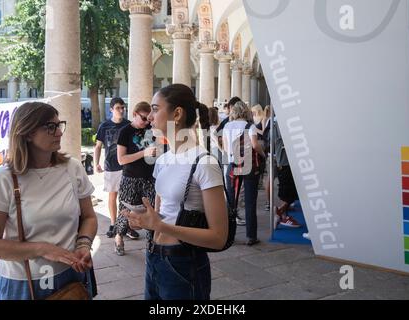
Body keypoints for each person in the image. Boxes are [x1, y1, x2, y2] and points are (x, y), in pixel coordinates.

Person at [0, 102, 97, 300]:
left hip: (70, 274)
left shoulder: (72, 168)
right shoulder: (4, 178)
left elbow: (89, 217)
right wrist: (43, 249)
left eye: (60, 125)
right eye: (51, 127)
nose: (59, 132)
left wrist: (84, 244)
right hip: (23, 282)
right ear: (27, 133)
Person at [125, 84, 227, 300]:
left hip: (184, 264)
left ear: (177, 114)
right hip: (154, 256)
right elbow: (162, 214)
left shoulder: (204, 163)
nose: (149, 117)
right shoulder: (163, 160)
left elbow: (219, 237)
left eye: (155, 109)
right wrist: (145, 220)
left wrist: (161, 226)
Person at [114, 101, 157, 256]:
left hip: (149, 178)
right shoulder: (125, 131)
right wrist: (143, 153)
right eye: (143, 118)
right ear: (134, 114)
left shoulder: (152, 130)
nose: (147, 122)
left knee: (152, 210)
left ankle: (152, 244)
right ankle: (119, 237)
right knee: (125, 211)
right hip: (130, 177)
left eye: (149, 119)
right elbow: (121, 159)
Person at [223, 101, 265, 246]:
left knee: (231, 202)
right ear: (246, 111)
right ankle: (251, 236)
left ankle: (229, 235)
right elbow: (255, 145)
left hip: (233, 166)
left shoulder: (227, 126)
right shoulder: (250, 126)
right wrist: (263, 154)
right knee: (250, 201)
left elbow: (226, 149)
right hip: (249, 166)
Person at [94, 97, 130, 239]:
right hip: (111, 165)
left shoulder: (128, 125)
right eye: (118, 108)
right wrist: (96, 163)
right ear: (111, 110)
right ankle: (114, 224)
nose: (121, 110)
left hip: (127, 166)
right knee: (112, 195)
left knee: (126, 197)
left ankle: (125, 225)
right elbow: (98, 146)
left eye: (123, 107)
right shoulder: (104, 126)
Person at [272, 117, 301, 228]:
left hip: (285, 160)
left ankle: (282, 215)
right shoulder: (281, 120)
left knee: (289, 192)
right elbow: (285, 138)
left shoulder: (279, 120)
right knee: (289, 192)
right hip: (285, 161)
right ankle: (279, 212)